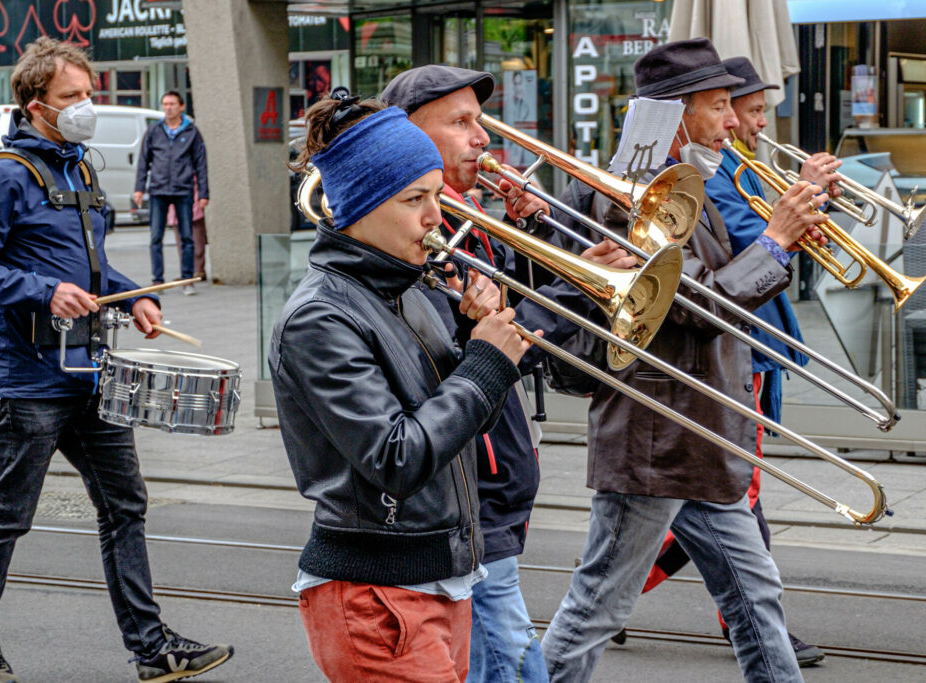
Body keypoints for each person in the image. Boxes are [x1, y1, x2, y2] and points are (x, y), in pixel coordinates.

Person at [541, 37, 831, 682]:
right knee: (598, 607)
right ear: (675, 116)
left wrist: (787, 239)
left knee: (757, 600)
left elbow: (726, 283)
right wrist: (778, 241)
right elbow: (694, 306)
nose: (734, 121)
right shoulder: (632, 197)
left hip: (701, 429)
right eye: (721, 105)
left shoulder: (689, 186)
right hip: (656, 437)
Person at [0, 37, 232, 683]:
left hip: (92, 371)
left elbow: (93, 269)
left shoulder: (83, 170)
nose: (85, 107)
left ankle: (153, 650)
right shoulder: (6, 173)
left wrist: (139, 296)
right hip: (29, 379)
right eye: (72, 97)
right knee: (8, 515)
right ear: (37, 105)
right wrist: (42, 291)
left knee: (126, 506)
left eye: (89, 94)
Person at [381, 65, 635, 683]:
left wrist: (533, 232)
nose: (483, 139)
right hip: (470, 485)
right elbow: (491, 335)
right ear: (409, 135)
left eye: (480, 122)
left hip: (496, 478)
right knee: (514, 661)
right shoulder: (412, 234)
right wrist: (575, 288)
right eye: (462, 123)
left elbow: (509, 305)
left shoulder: (468, 214)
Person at [270, 94, 531, 682]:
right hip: (376, 596)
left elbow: (460, 429)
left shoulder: (408, 289)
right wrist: (484, 365)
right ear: (359, 206)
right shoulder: (320, 318)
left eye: (436, 196)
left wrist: (470, 339)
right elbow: (397, 457)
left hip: (441, 580)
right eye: (415, 199)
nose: (436, 217)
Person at [618, 55, 841, 668]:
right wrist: (785, 226)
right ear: (683, 114)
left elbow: (765, 253)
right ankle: (729, 618)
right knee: (734, 497)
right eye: (734, 108)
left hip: (742, 352)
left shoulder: (726, 167)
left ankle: (621, 597)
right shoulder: (688, 178)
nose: (749, 121)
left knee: (700, 509)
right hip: (712, 364)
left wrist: (805, 214)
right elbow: (733, 265)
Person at [133, 90, 209, 295]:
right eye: (165, 104)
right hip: (158, 189)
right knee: (155, 237)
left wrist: (203, 193)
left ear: (181, 107)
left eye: (172, 104)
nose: (168, 108)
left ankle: (187, 279)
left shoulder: (191, 132)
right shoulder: (154, 131)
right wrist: (139, 188)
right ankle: (157, 281)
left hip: (183, 189)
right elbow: (144, 161)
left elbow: (200, 164)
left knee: (187, 237)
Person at [169, 176, 208, 281]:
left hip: (191, 193)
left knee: (197, 237)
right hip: (173, 194)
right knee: (180, 239)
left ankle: (198, 269)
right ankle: (186, 271)